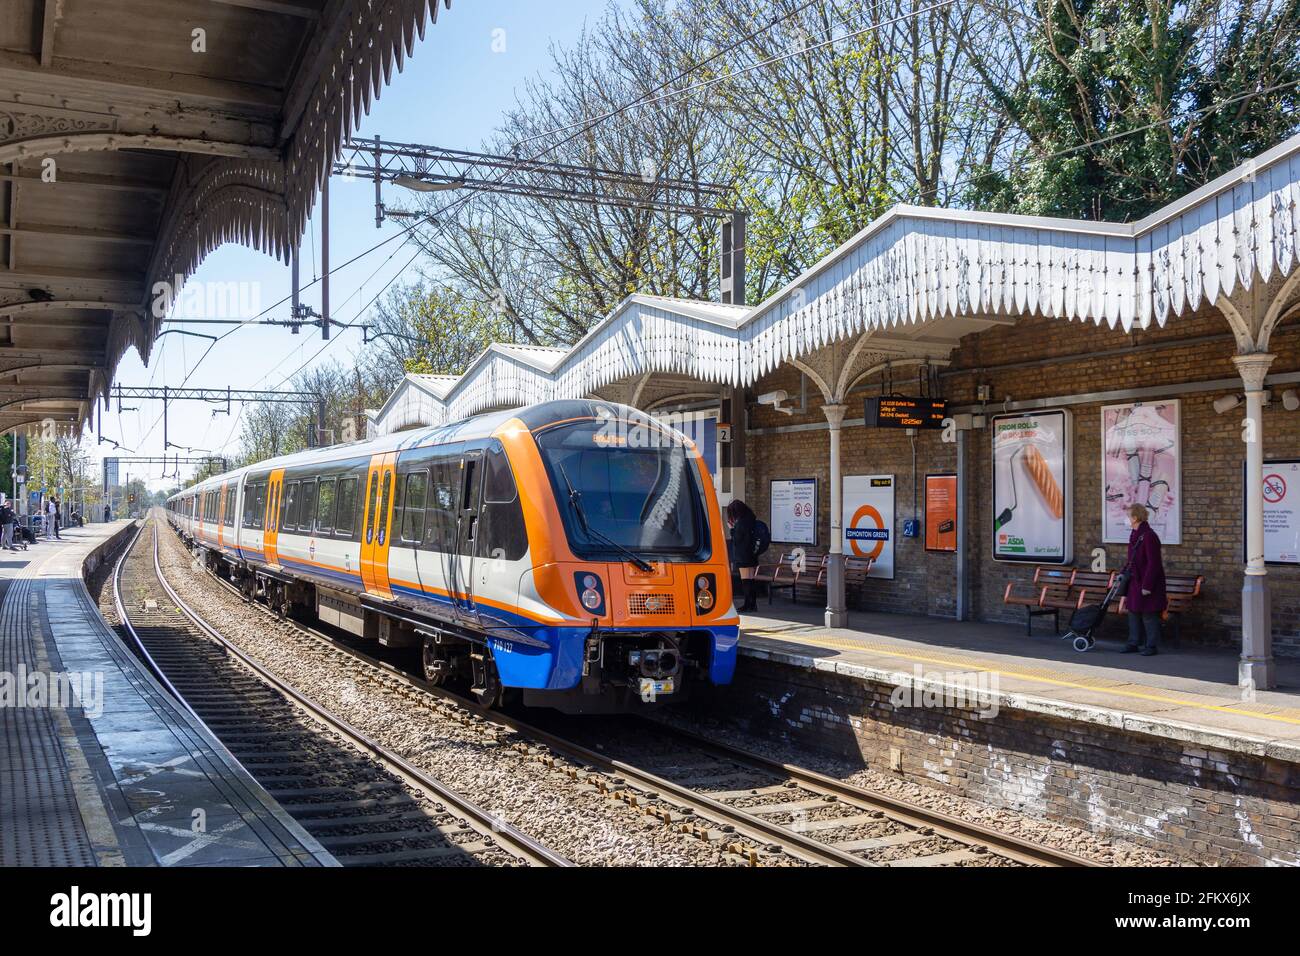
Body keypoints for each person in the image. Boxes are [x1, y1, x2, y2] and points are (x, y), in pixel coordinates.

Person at [1122, 502, 1166, 656]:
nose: (1126, 519)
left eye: (1128, 516)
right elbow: (1131, 559)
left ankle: (1151, 646)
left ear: (1135, 518)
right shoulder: (1135, 534)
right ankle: (1133, 642)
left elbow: (1154, 563)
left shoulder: (1149, 536)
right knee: (1133, 611)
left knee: (1149, 614)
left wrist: (1147, 585)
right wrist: (1123, 572)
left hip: (1148, 582)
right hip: (1135, 580)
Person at [726, 499, 760, 612]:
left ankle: (747, 604)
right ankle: (753, 604)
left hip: (743, 555)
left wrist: (731, 529)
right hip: (752, 553)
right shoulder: (751, 519)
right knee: (751, 579)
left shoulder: (741, 523)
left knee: (745, 580)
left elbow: (737, 539)